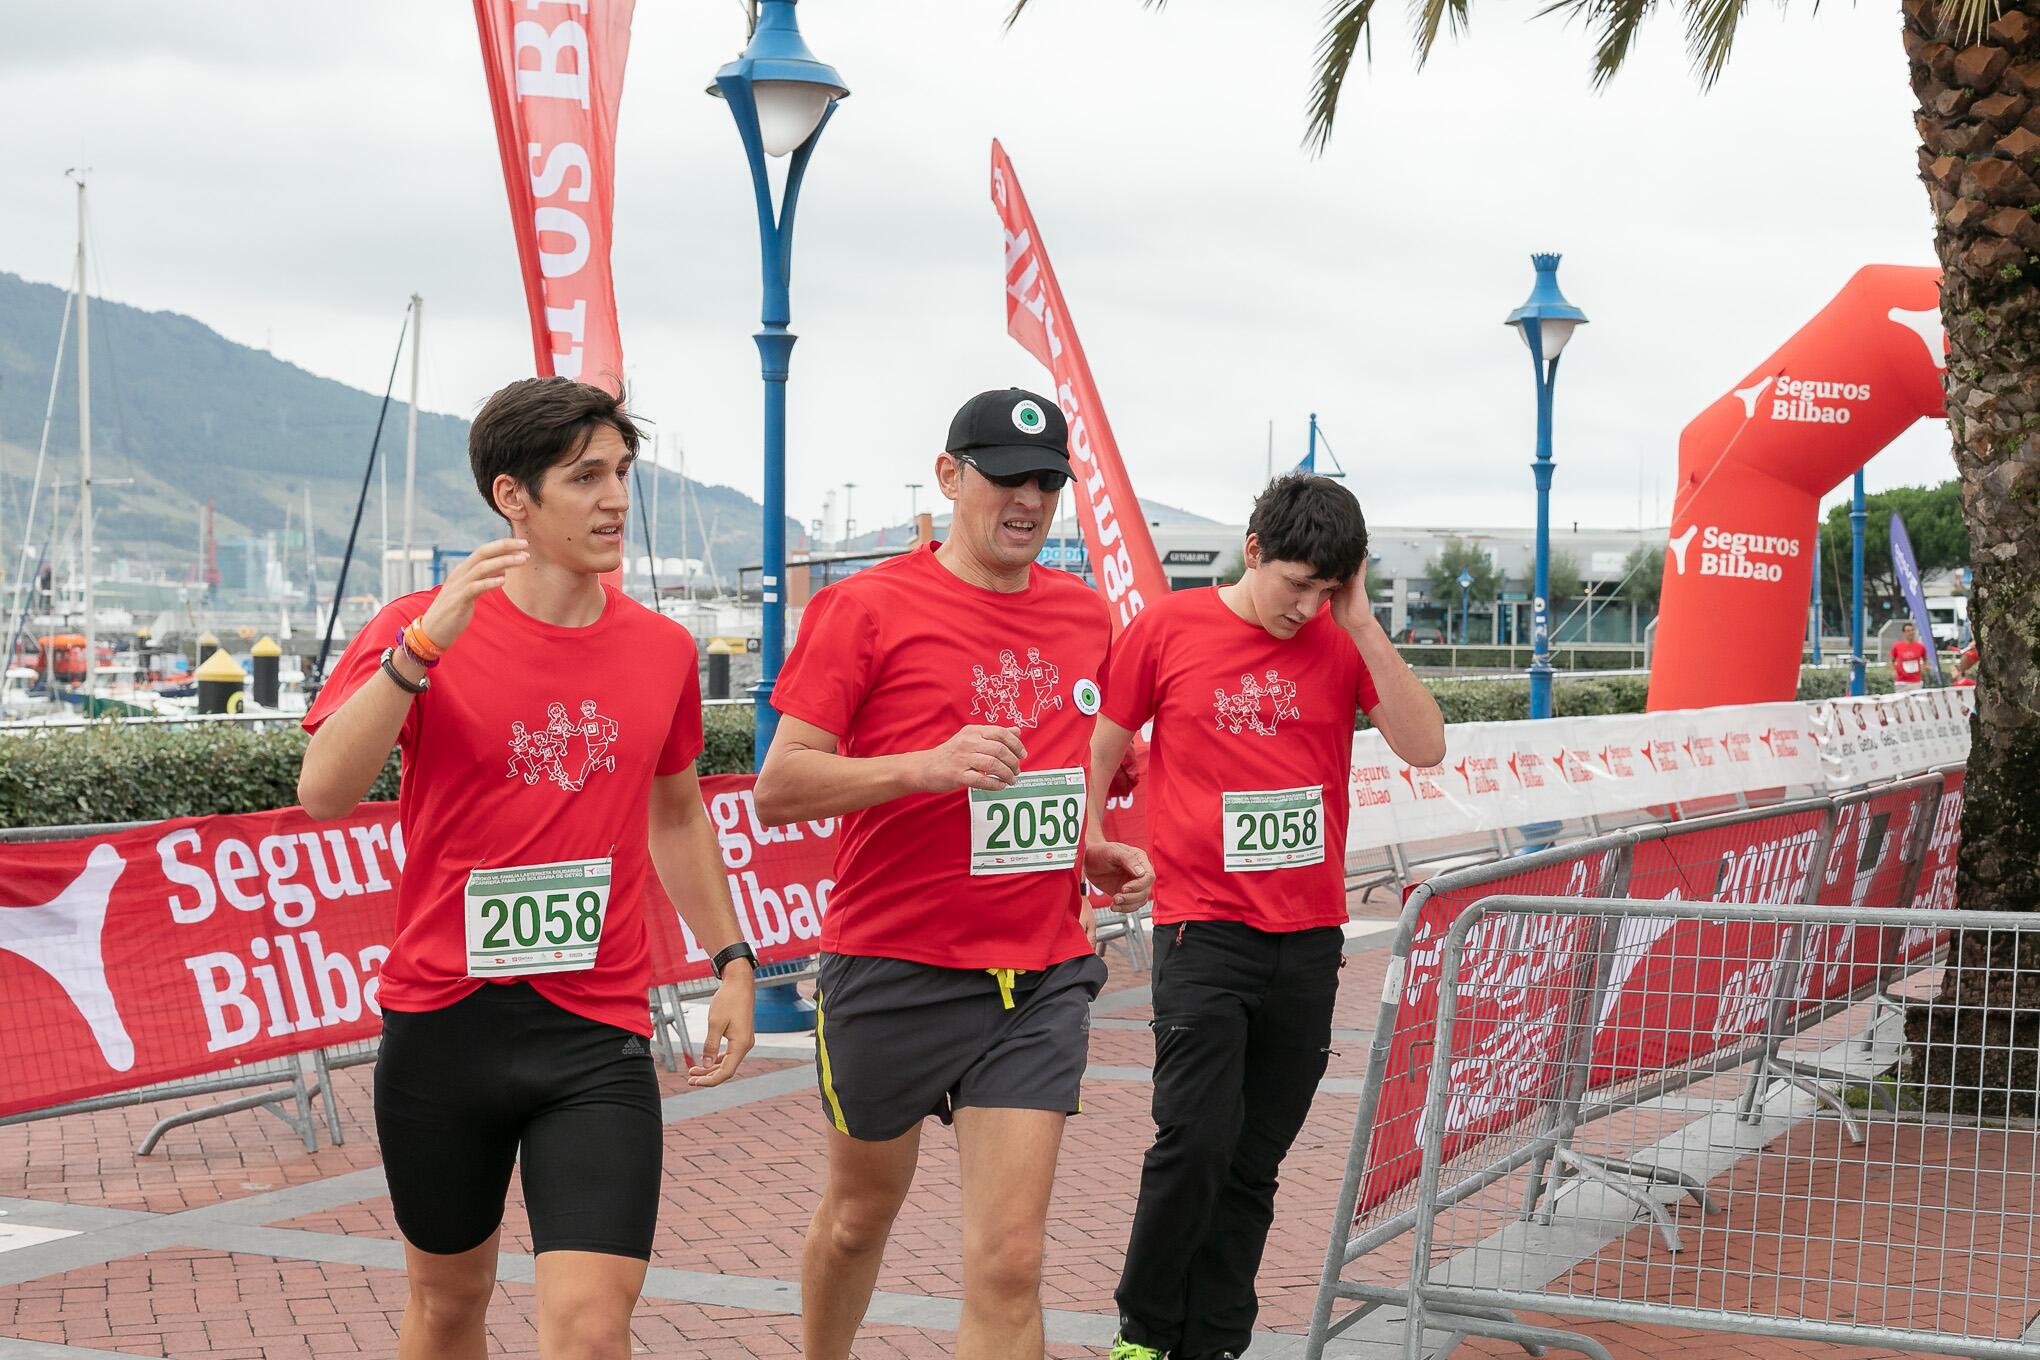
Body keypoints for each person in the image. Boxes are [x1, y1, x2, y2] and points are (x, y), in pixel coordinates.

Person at [297, 377, 760, 1360]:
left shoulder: (662, 648)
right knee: (447, 1310)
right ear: (514, 496)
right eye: (585, 475)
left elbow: (676, 816)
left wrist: (733, 961)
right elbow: (324, 791)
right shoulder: (420, 625)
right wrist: (419, 653)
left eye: (623, 473)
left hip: (594, 1033)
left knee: (593, 1330)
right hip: (443, 1023)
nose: (614, 499)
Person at [752, 387, 1153, 1360]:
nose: (1029, 499)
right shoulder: (866, 608)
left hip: (1038, 976)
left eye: (1048, 481)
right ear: (948, 476)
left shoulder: (1083, 613)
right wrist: (919, 768)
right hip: (891, 968)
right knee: (858, 1214)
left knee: (1012, 1260)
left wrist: (1087, 843)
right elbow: (779, 786)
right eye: (1007, 478)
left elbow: (1066, 773)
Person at [1090, 473, 1446, 1360]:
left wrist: (1360, 622)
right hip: (1202, 929)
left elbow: (1426, 746)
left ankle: (1215, 1342)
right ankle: (1144, 1330)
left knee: (1254, 1163)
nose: (1306, 607)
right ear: (1252, 551)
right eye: (1296, 584)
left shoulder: (1339, 637)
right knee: (1195, 1140)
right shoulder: (1168, 629)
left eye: (1328, 590)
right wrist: (1088, 841)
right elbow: (1101, 743)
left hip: (1308, 941)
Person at [1890, 621, 1928, 691]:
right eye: (1908, 631)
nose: (1911, 633)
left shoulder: (1920, 646)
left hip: (1916, 682)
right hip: (1901, 682)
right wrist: (1893, 671)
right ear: (1904, 633)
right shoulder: (1897, 646)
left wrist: (1923, 668)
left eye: (1912, 630)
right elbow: (1892, 660)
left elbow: (1925, 659)